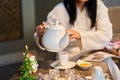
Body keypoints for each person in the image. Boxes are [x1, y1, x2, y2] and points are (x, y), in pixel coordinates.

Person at [35, 0, 113, 61]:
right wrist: (42, 36)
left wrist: (80, 35)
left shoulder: (98, 6)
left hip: (92, 53)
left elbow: (106, 34)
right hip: (69, 56)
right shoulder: (59, 9)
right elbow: (50, 42)